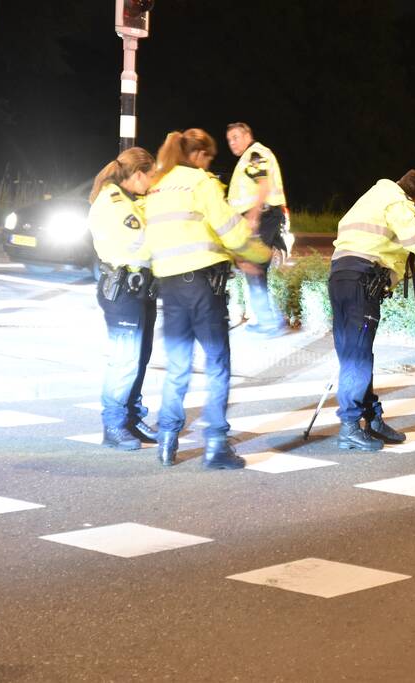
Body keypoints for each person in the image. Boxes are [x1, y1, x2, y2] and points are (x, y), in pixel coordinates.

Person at [143, 129, 272, 469]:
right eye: (209, 157)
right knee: (217, 363)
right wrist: (259, 254)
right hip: (202, 285)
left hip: (169, 286)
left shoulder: (157, 186)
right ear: (199, 155)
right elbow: (230, 230)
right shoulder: (201, 183)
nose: (209, 164)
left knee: (177, 365)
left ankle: (167, 440)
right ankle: (215, 445)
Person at [329, 167, 415, 451]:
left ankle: (372, 419)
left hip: (341, 277)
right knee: (358, 356)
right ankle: (350, 428)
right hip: (363, 280)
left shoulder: (375, 195)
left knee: (355, 352)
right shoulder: (397, 202)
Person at [87, 147, 159, 451]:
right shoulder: (114, 201)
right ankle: (114, 425)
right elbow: (143, 241)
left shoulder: (128, 200)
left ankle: (131, 418)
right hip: (124, 291)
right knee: (125, 360)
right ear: (139, 174)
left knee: (139, 357)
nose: (153, 181)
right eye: (151, 175)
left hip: (139, 289)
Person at [225, 122, 288, 337]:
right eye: (229, 140)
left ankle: (269, 322)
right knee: (253, 266)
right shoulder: (251, 155)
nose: (232, 143)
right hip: (264, 215)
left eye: (235, 137)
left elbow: (263, 184)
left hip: (262, 215)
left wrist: (253, 215)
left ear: (247, 135)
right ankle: (268, 319)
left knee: (253, 265)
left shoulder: (254, 154)